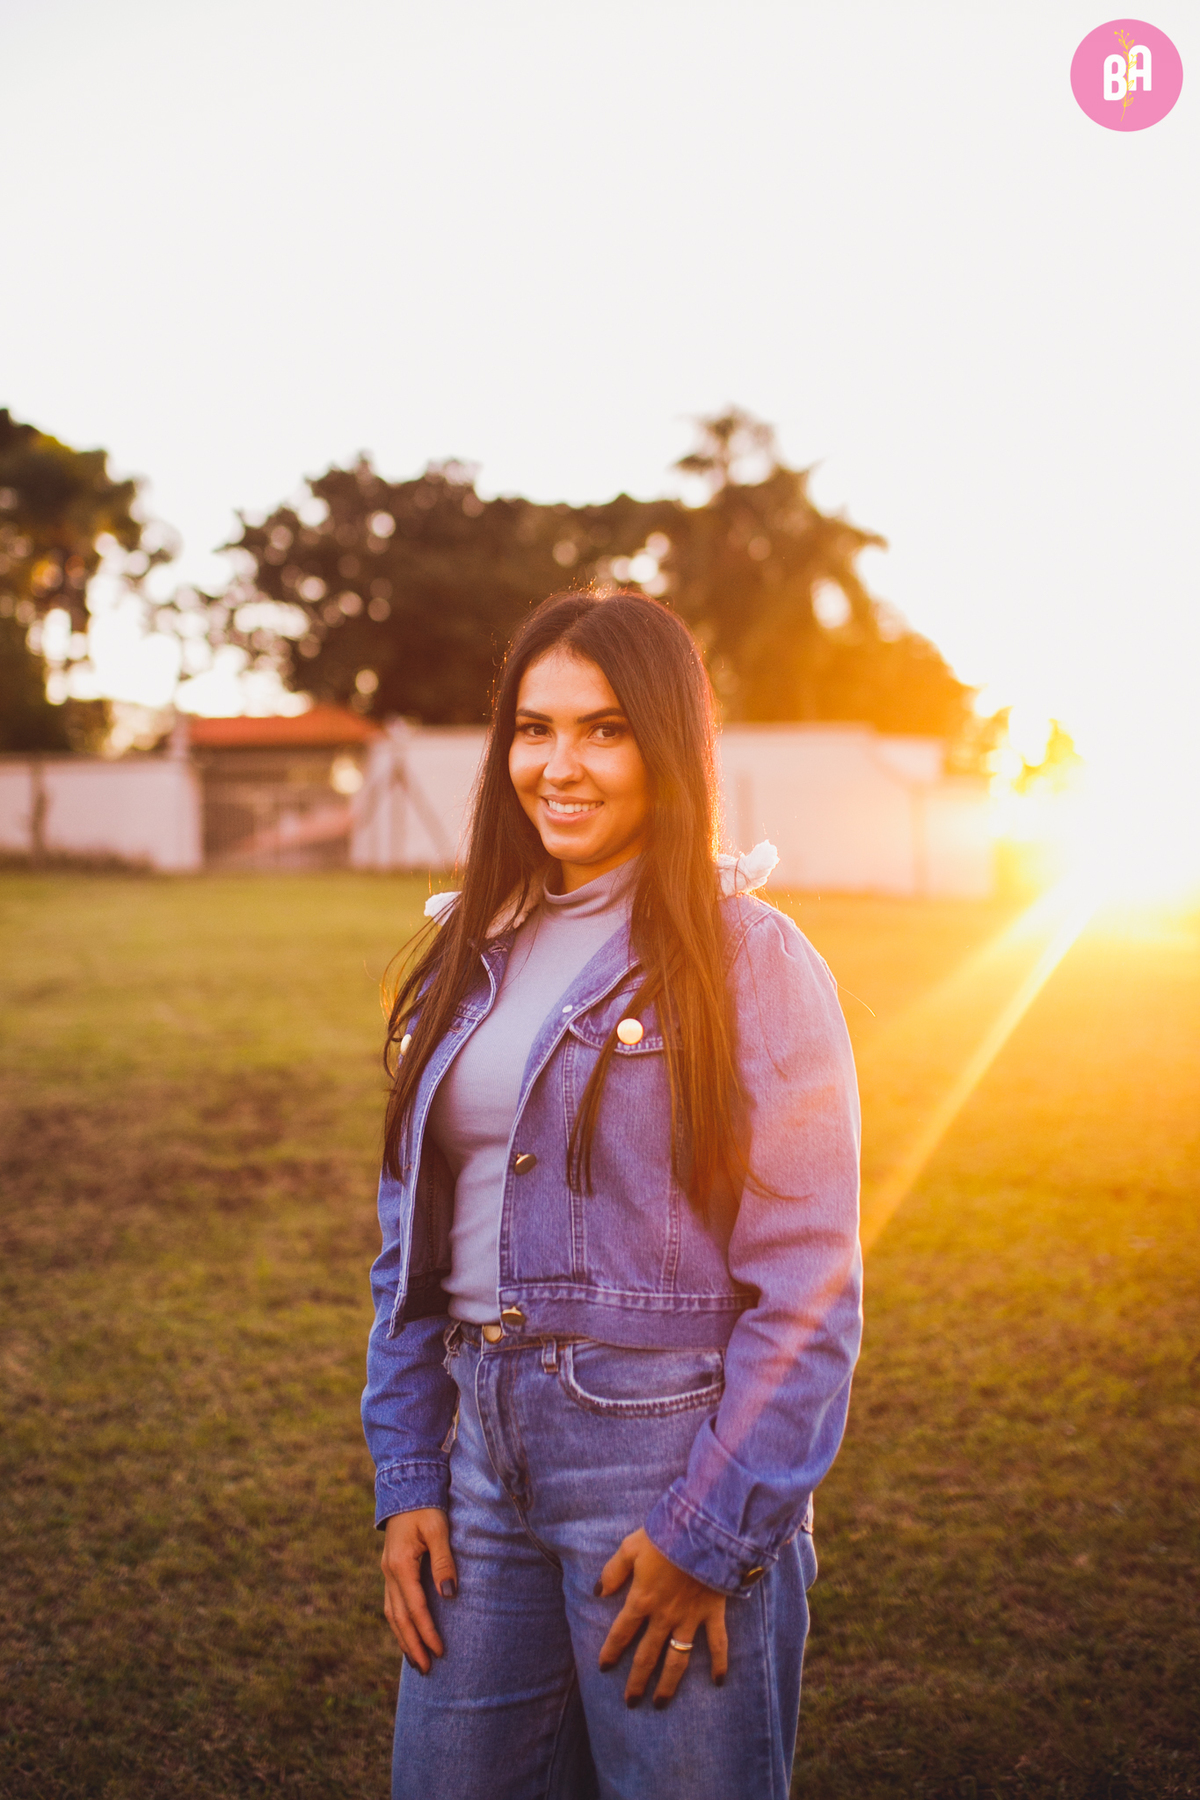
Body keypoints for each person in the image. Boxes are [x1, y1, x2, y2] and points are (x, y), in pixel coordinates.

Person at [362, 590, 862, 1800]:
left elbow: (810, 1286)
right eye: (534, 730)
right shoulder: (466, 952)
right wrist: (408, 1476)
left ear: (670, 746)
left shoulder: (755, 962)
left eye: (604, 730)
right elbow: (409, 1253)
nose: (559, 767)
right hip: (481, 1460)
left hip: (666, 1455)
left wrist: (714, 1533)